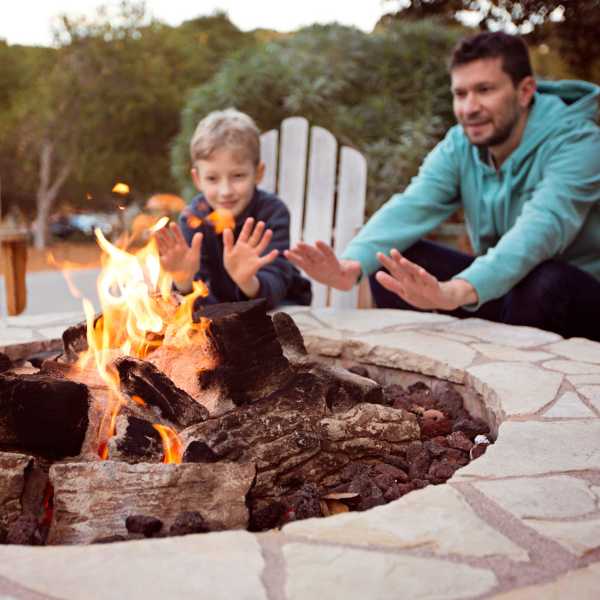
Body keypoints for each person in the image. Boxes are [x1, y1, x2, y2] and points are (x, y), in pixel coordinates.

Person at [285, 31, 600, 341]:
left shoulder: (579, 142)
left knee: (545, 282)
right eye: (460, 94)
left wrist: (455, 291)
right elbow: (412, 205)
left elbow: (539, 230)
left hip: (577, 298)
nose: (469, 108)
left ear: (525, 91)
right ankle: (416, 380)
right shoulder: (461, 143)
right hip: (506, 290)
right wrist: (350, 266)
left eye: (485, 90)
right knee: (395, 260)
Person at [155, 108, 311, 310]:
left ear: (258, 173)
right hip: (221, 315)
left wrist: (248, 280)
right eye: (212, 178)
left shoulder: (272, 213)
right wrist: (184, 281)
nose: (225, 191)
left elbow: (277, 283)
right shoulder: (193, 218)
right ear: (197, 179)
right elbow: (193, 303)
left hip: (279, 310)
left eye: (238, 176)